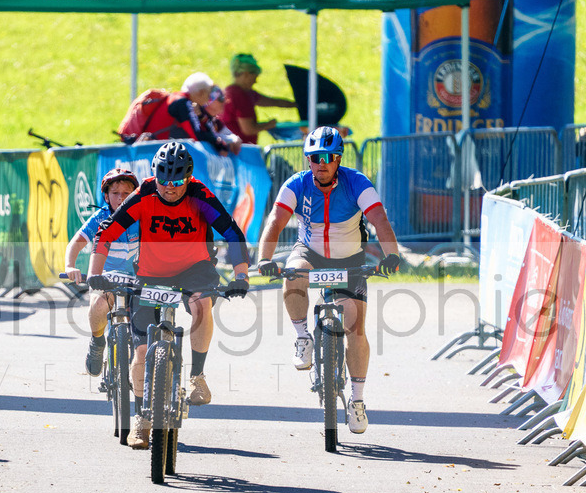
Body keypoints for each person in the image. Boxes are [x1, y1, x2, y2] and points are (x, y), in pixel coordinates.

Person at [87, 142, 250, 448]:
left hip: (195, 269)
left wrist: (241, 274)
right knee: (140, 353)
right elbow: (108, 231)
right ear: (155, 176)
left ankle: (197, 377)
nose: (169, 189)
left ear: (188, 178)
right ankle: (141, 420)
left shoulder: (200, 195)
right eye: (164, 181)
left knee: (201, 304)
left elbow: (231, 232)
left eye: (177, 183)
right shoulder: (146, 193)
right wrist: (96, 273)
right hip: (151, 274)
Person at [256, 126, 402, 434]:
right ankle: (302, 337)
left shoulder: (357, 183)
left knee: (355, 328)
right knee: (293, 273)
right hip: (310, 252)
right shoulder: (297, 184)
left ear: (338, 159)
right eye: (314, 158)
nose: (321, 163)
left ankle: (358, 401)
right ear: (307, 160)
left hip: (349, 258)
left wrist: (392, 256)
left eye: (329, 157)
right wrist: (264, 259)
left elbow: (380, 220)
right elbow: (275, 221)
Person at [64, 167, 141, 377]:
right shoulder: (100, 217)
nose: (121, 198)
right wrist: (70, 266)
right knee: (99, 304)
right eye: (115, 193)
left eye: (127, 193)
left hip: (136, 279)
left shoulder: (142, 215)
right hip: (106, 278)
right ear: (106, 196)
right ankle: (97, 342)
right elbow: (76, 243)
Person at [222, 53, 296, 145]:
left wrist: (296, 104)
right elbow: (248, 129)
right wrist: (269, 124)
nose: (255, 81)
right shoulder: (239, 95)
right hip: (241, 149)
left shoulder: (246, 93)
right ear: (246, 74)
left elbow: (273, 102)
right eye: (255, 77)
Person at [198, 86, 242, 156]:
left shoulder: (215, 121)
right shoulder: (197, 116)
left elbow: (230, 135)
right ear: (208, 101)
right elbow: (204, 135)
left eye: (224, 98)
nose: (224, 102)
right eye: (221, 99)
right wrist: (228, 140)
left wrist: (235, 138)